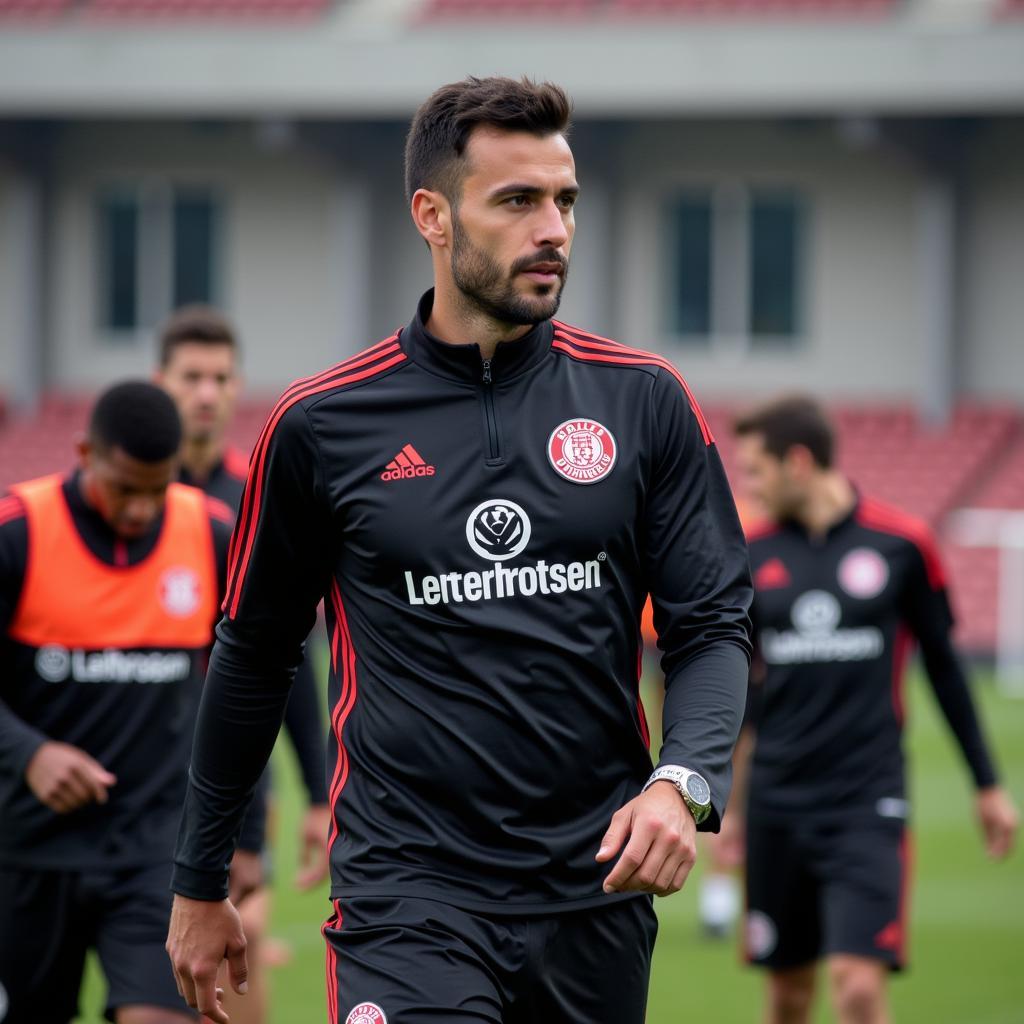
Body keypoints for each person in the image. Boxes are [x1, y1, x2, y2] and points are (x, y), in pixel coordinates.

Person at [166, 76, 753, 1024]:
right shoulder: (323, 425)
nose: (553, 228)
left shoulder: (646, 402)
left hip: (594, 888)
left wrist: (680, 785)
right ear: (431, 215)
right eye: (517, 200)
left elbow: (712, 625)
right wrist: (199, 879)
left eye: (564, 200)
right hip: (408, 893)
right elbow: (254, 655)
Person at [729, 394, 1019, 1024]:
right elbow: (747, 690)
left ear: (798, 463)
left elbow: (946, 668)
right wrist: (730, 805)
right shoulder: (750, 554)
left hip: (866, 802)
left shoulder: (901, 544)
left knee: (857, 986)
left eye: (756, 470)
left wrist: (988, 785)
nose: (748, 484)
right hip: (777, 805)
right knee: (787, 997)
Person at [0, 381, 234, 1024]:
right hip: (27, 851)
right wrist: (29, 754)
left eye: (156, 489)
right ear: (84, 452)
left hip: (153, 849)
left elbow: (270, 678)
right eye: (125, 488)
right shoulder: (16, 533)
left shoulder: (210, 533)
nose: (140, 509)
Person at [154, 305, 331, 1024]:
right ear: (160, 383)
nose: (206, 393)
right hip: (132, 783)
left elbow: (282, 665)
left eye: (220, 378)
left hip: (231, 790)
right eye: (191, 376)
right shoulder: (124, 499)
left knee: (235, 967)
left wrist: (319, 794)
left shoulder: (260, 496)